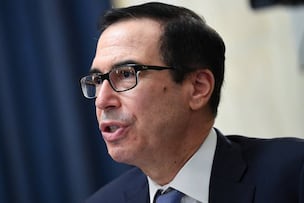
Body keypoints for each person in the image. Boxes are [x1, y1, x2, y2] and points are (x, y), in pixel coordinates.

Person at [80, 2, 304, 203]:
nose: (102, 101)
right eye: (98, 80)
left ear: (198, 88)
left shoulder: (293, 175)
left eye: (126, 74)